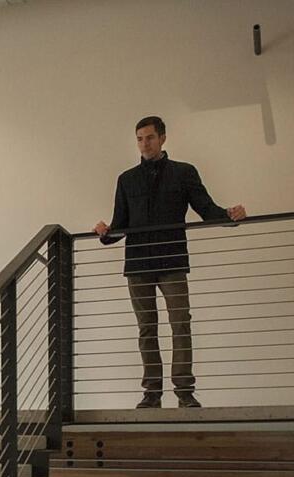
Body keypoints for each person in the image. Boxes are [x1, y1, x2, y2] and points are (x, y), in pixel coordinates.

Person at [94, 116, 246, 409]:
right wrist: (104, 233)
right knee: (146, 329)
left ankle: (184, 392)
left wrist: (230, 215)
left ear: (163, 138)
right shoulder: (126, 179)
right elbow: (120, 224)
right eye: (139, 138)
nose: (144, 143)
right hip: (138, 264)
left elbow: (207, 209)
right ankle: (151, 393)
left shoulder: (184, 173)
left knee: (180, 324)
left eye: (149, 137)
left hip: (172, 259)